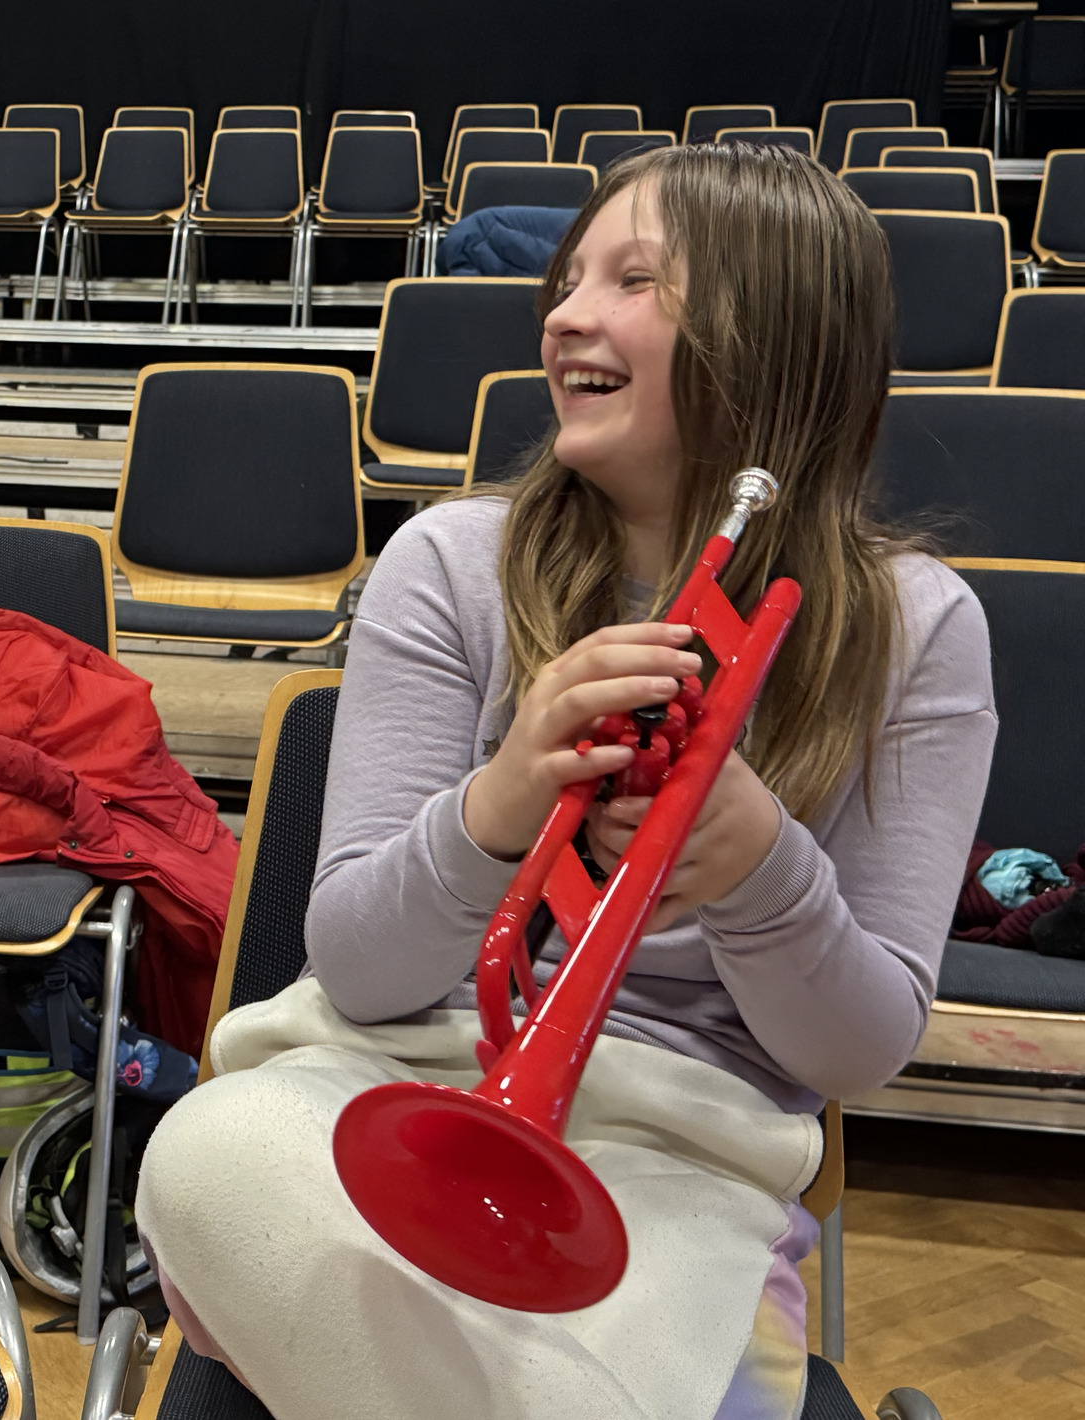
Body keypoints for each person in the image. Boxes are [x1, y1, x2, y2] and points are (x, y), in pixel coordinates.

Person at [136, 143, 997, 1420]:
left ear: (771, 336)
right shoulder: (446, 562)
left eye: (632, 281)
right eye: (567, 279)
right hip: (374, 1087)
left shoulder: (917, 628)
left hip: (684, 1159)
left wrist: (763, 873)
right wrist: (496, 805)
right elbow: (357, 968)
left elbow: (858, 1051)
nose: (562, 316)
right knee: (207, 1153)